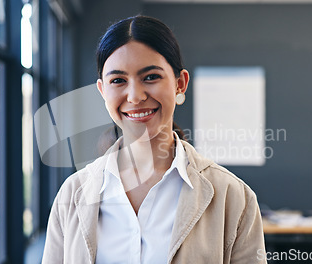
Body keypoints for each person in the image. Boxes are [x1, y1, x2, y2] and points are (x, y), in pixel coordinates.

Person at [42, 15, 266, 264]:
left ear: (180, 84)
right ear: (102, 91)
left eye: (150, 77)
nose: (135, 96)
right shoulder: (72, 196)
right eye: (118, 81)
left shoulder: (233, 197)